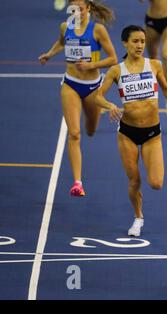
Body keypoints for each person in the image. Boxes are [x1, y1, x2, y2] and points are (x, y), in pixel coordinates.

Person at [96, 25, 167, 237]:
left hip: (152, 133)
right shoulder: (117, 70)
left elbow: (165, 86)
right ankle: (138, 217)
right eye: (135, 41)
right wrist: (110, 106)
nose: (140, 45)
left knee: (156, 183)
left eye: (142, 41)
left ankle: (139, 212)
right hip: (127, 133)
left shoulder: (154, 65)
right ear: (125, 43)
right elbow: (98, 96)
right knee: (134, 180)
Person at [39, 0, 118, 197]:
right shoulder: (66, 26)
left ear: (88, 8)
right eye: (73, 9)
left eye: (80, 9)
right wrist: (49, 54)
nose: (77, 13)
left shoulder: (98, 30)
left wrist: (90, 66)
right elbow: (61, 41)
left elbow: (113, 59)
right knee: (74, 133)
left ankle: (94, 114)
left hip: (92, 87)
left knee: (90, 130)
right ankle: (78, 183)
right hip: (71, 84)